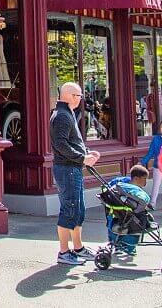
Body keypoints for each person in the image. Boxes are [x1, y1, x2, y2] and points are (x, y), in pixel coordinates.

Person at [51, 81, 101, 266]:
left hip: (71, 168)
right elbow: (61, 145)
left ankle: (78, 247)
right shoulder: (62, 116)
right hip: (67, 169)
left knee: (77, 209)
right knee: (70, 209)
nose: (81, 99)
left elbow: (72, 141)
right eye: (79, 96)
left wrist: (85, 153)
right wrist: (83, 158)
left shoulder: (66, 113)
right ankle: (64, 252)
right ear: (71, 96)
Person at [106, 164, 151, 254]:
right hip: (116, 207)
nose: (146, 182)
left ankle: (128, 244)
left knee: (128, 224)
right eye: (144, 179)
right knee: (116, 223)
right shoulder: (126, 185)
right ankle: (116, 243)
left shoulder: (135, 187)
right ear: (136, 179)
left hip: (127, 209)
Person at [139, 120, 162, 211]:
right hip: (158, 165)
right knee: (156, 184)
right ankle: (152, 203)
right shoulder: (156, 139)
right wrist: (143, 162)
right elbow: (151, 152)